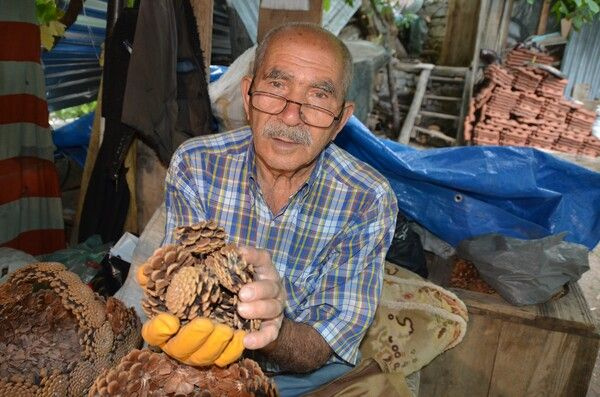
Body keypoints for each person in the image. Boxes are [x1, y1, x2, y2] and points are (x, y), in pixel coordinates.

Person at [144, 22, 398, 396]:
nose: (290, 116)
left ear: (340, 120)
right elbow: (180, 297)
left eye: (317, 98)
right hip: (204, 366)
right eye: (276, 87)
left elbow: (322, 344)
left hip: (304, 381)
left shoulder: (367, 198)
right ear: (248, 96)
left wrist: (273, 330)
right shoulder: (197, 165)